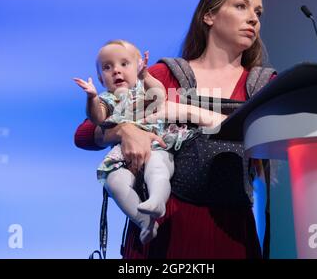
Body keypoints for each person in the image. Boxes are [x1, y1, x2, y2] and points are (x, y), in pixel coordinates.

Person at [74, 0, 276, 258]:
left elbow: (272, 134)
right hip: (165, 229)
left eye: (258, 13)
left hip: (233, 231)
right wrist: (123, 131)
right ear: (209, 16)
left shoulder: (264, 85)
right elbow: (84, 133)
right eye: (241, 7)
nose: (253, 19)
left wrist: (186, 111)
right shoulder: (165, 75)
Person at [73, 40, 225, 244]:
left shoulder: (144, 87)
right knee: (114, 181)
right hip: (123, 152)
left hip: (158, 144)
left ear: (138, 67)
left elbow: (160, 95)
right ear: (101, 78)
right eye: (107, 67)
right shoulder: (107, 99)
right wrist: (91, 97)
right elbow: (97, 118)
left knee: (157, 167)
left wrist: (145, 75)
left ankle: (157, 200)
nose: (116, 71)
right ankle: (144, 221)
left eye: (124, 64)